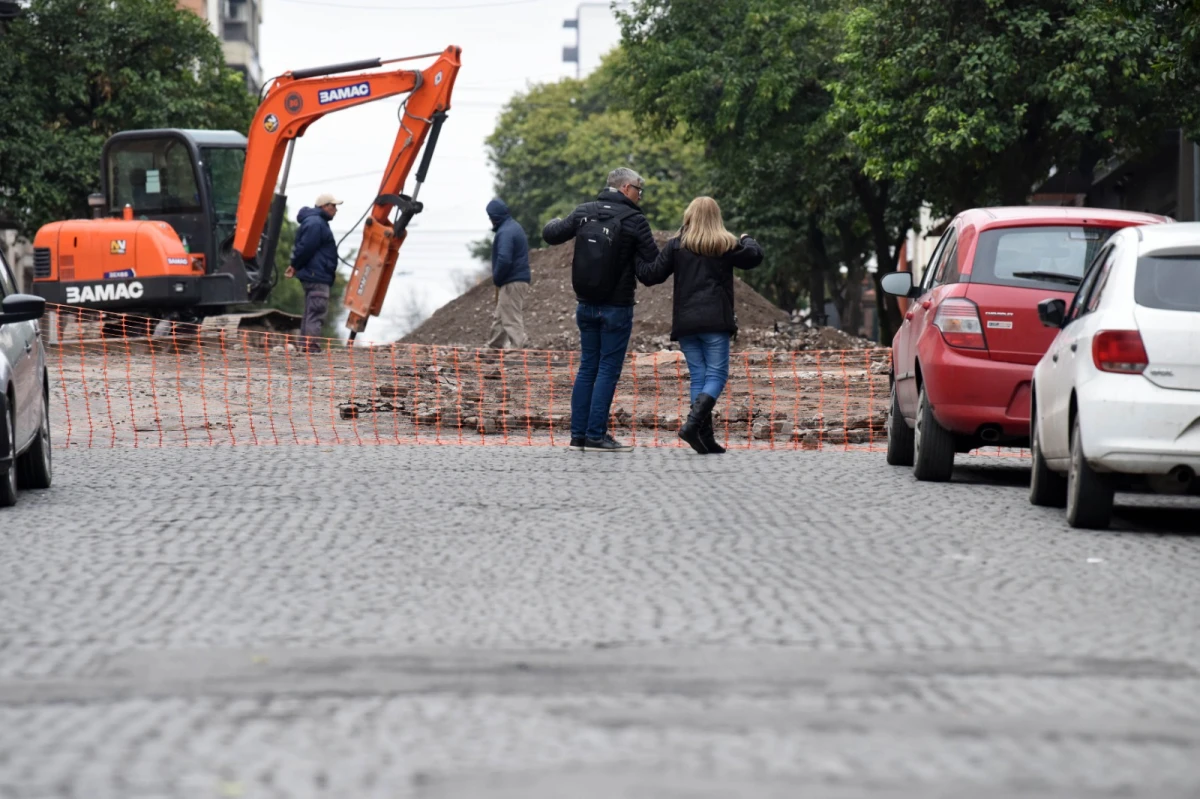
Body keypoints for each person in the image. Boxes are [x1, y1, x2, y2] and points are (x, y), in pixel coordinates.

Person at [542, 167, 659, 453]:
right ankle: (596, 436)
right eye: (638, 189)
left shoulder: (584, 211)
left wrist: (557, 219)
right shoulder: (634, 220)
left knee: (587, 369)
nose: (640, 195)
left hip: (585, 304)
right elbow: (652, 270)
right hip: (616, 308)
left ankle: (578, 436)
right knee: (607, 370)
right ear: (624, 188)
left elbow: (551, 234)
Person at [636, 196, 764, 454]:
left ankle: (705, 438)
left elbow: (651, 275)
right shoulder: (725, 245)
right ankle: (692, 426)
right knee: (716, 375)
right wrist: (747, 238)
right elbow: (754, 257)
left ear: (689, 216)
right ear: (716, 218)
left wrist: (634, 253)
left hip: (686, 323)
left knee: (699, 376)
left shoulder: (676, 246)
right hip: (715, 320)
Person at [286, 193, 342, 352]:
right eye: (333, 206)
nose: (336, 210)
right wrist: (295, 265)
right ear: (324, 206)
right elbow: (306, 248)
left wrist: (295, 265)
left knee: (311, 311)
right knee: (317, 310)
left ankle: (306, 347)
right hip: (317, 275)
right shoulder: (317, 223)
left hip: (313, 274)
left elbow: (304, 248)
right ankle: (311, 349)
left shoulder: (315, 222)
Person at [485, 198, 531, 350]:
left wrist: (497, 278)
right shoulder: (511, 227)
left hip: (512, 281)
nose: (490, 220)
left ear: (495, 216)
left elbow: (504, 259)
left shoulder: (505, 231)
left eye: (490, 217)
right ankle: (494, 348)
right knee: (500, 317)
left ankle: (518, 348)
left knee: (510, 317)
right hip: (514, 279)